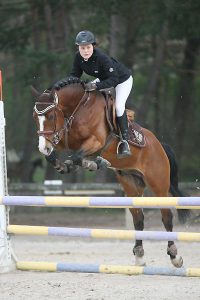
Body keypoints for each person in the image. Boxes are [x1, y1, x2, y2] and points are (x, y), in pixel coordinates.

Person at [70, 30, 133, 158]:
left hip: (122, 80)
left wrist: (95, 86)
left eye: (88, 47)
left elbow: (114, 79)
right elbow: (74, 75)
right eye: (82, 48)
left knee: (119, 106)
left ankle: (125, 142)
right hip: (104, 79)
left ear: (93, 46)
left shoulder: (102, 58)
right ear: (78, 48)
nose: (85, 51)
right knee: (86, 94)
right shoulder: (78, 57)